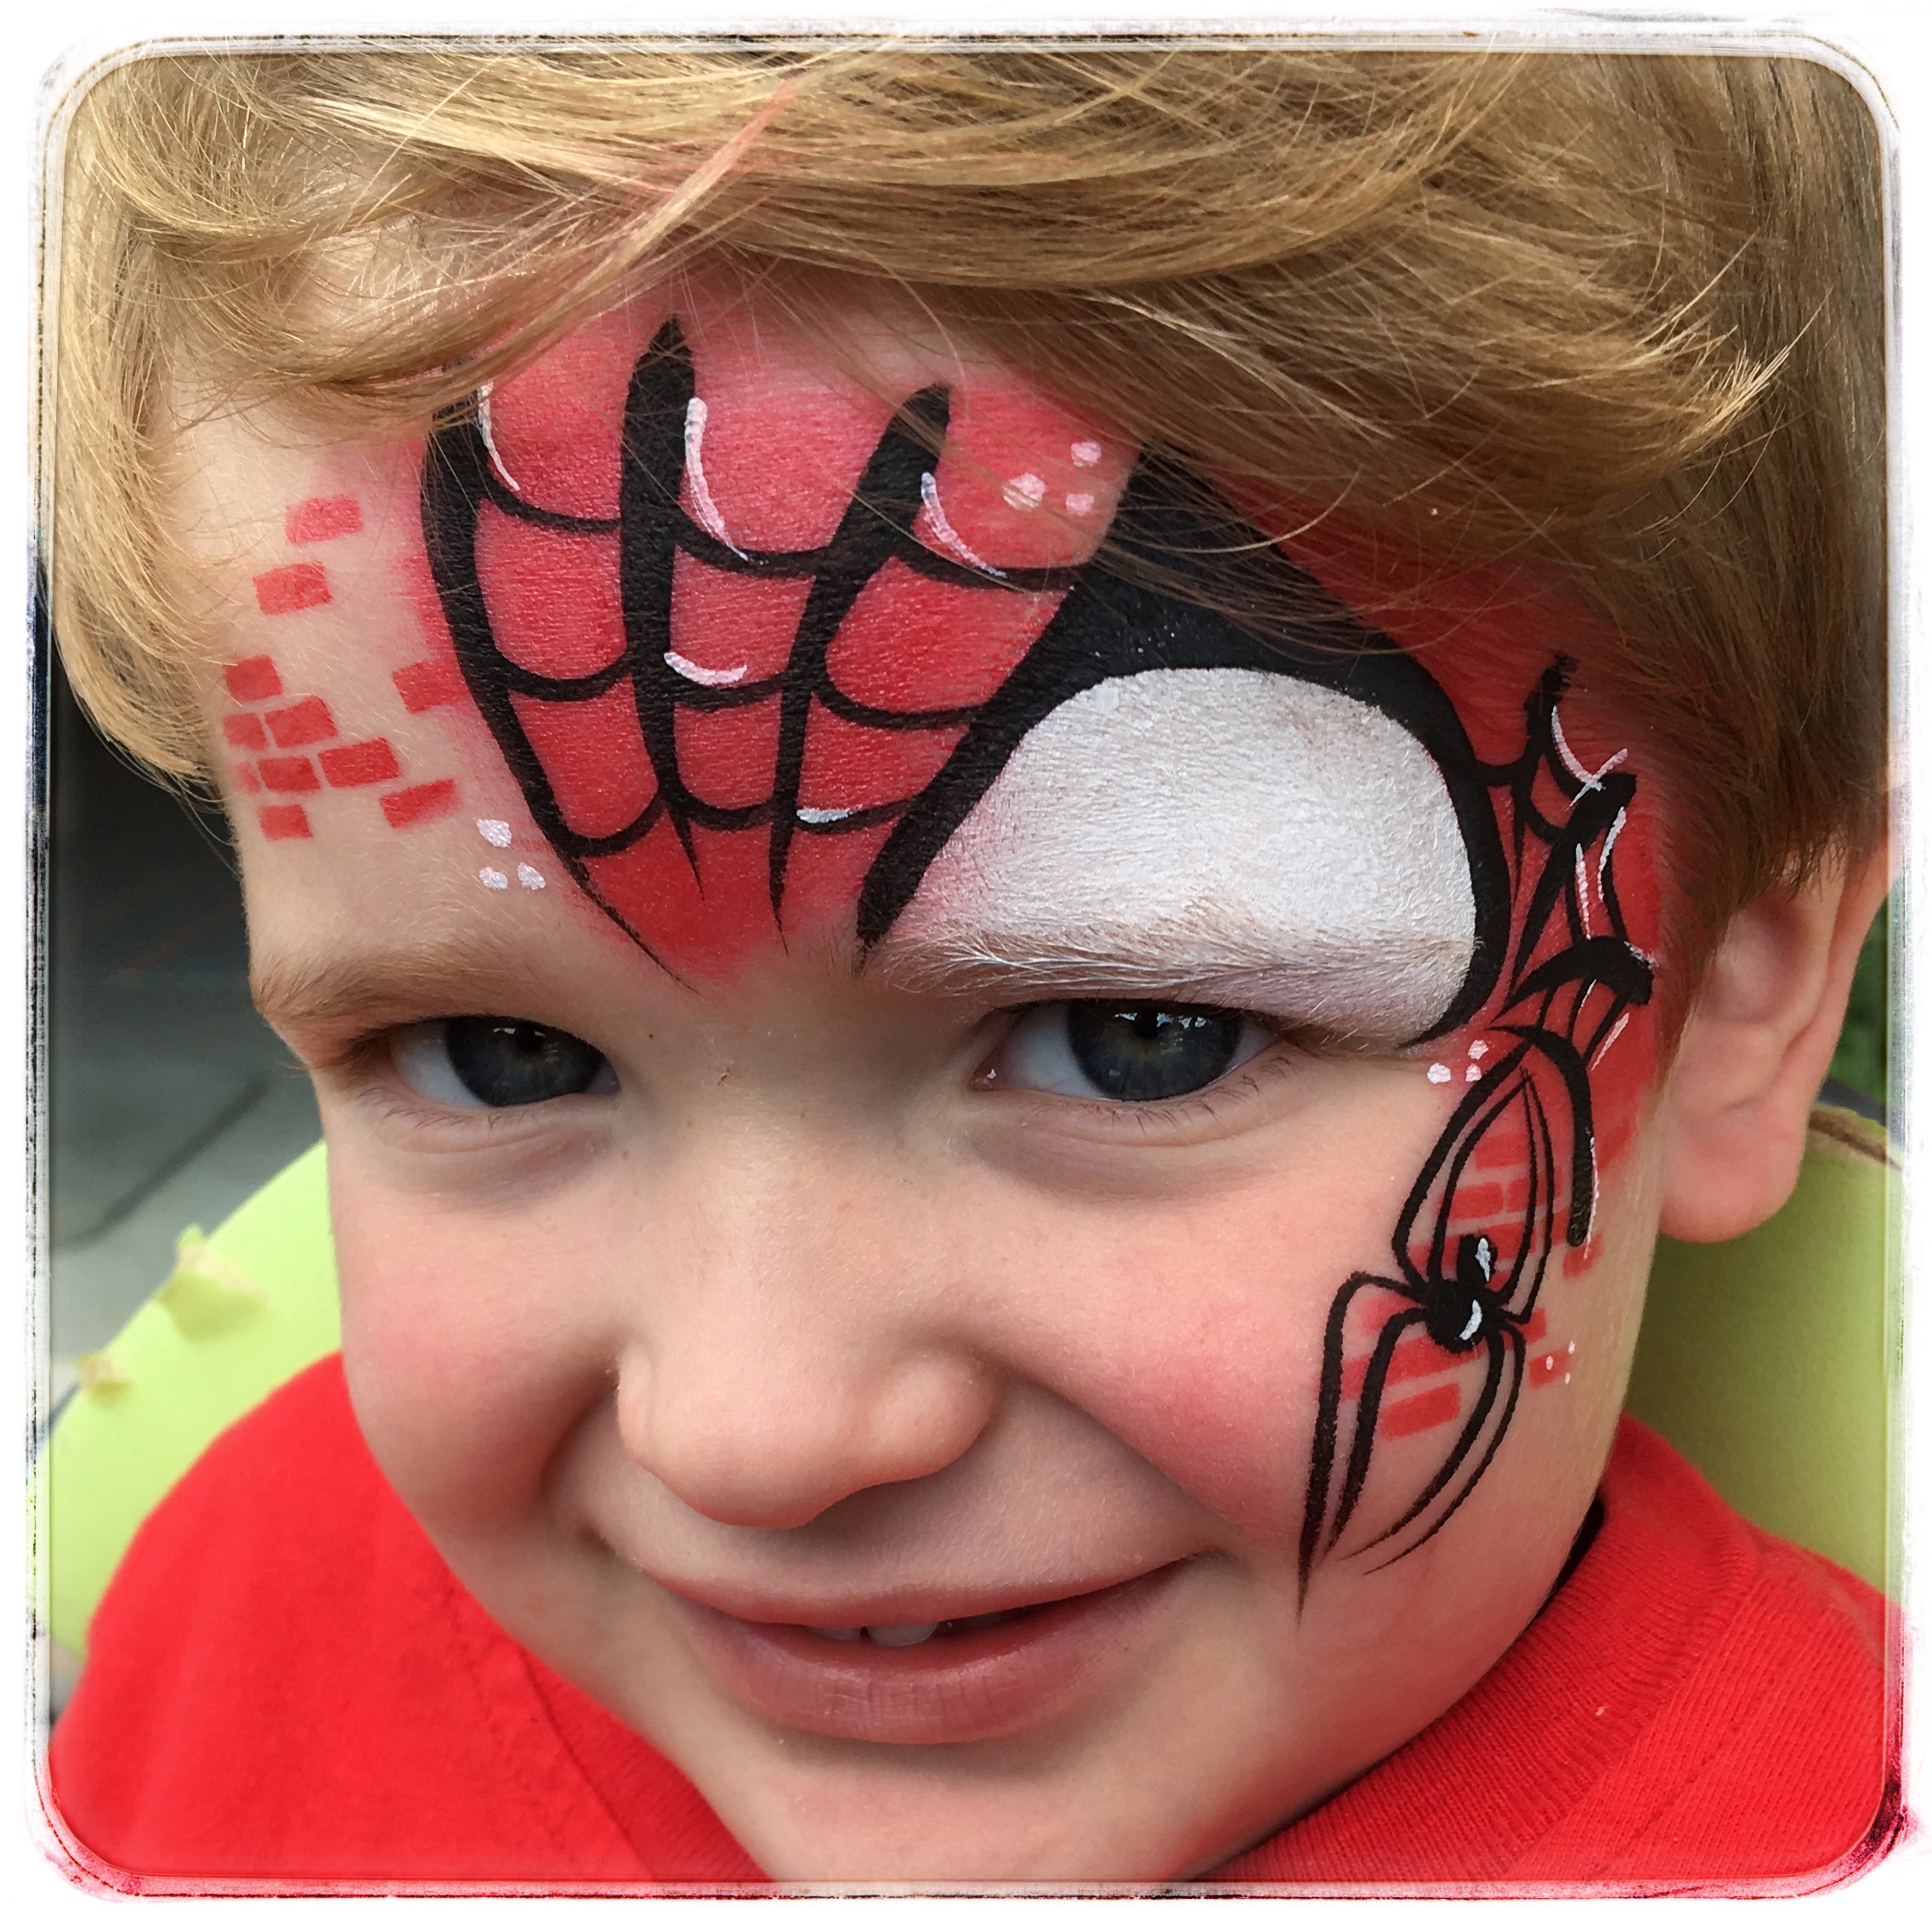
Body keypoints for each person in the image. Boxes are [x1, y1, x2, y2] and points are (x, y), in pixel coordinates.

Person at [42, 44, 1892, 1887]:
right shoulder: (226, 1635)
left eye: (1135, 1038)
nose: (754, 1433)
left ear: (1738, 989)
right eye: (499, 1054)